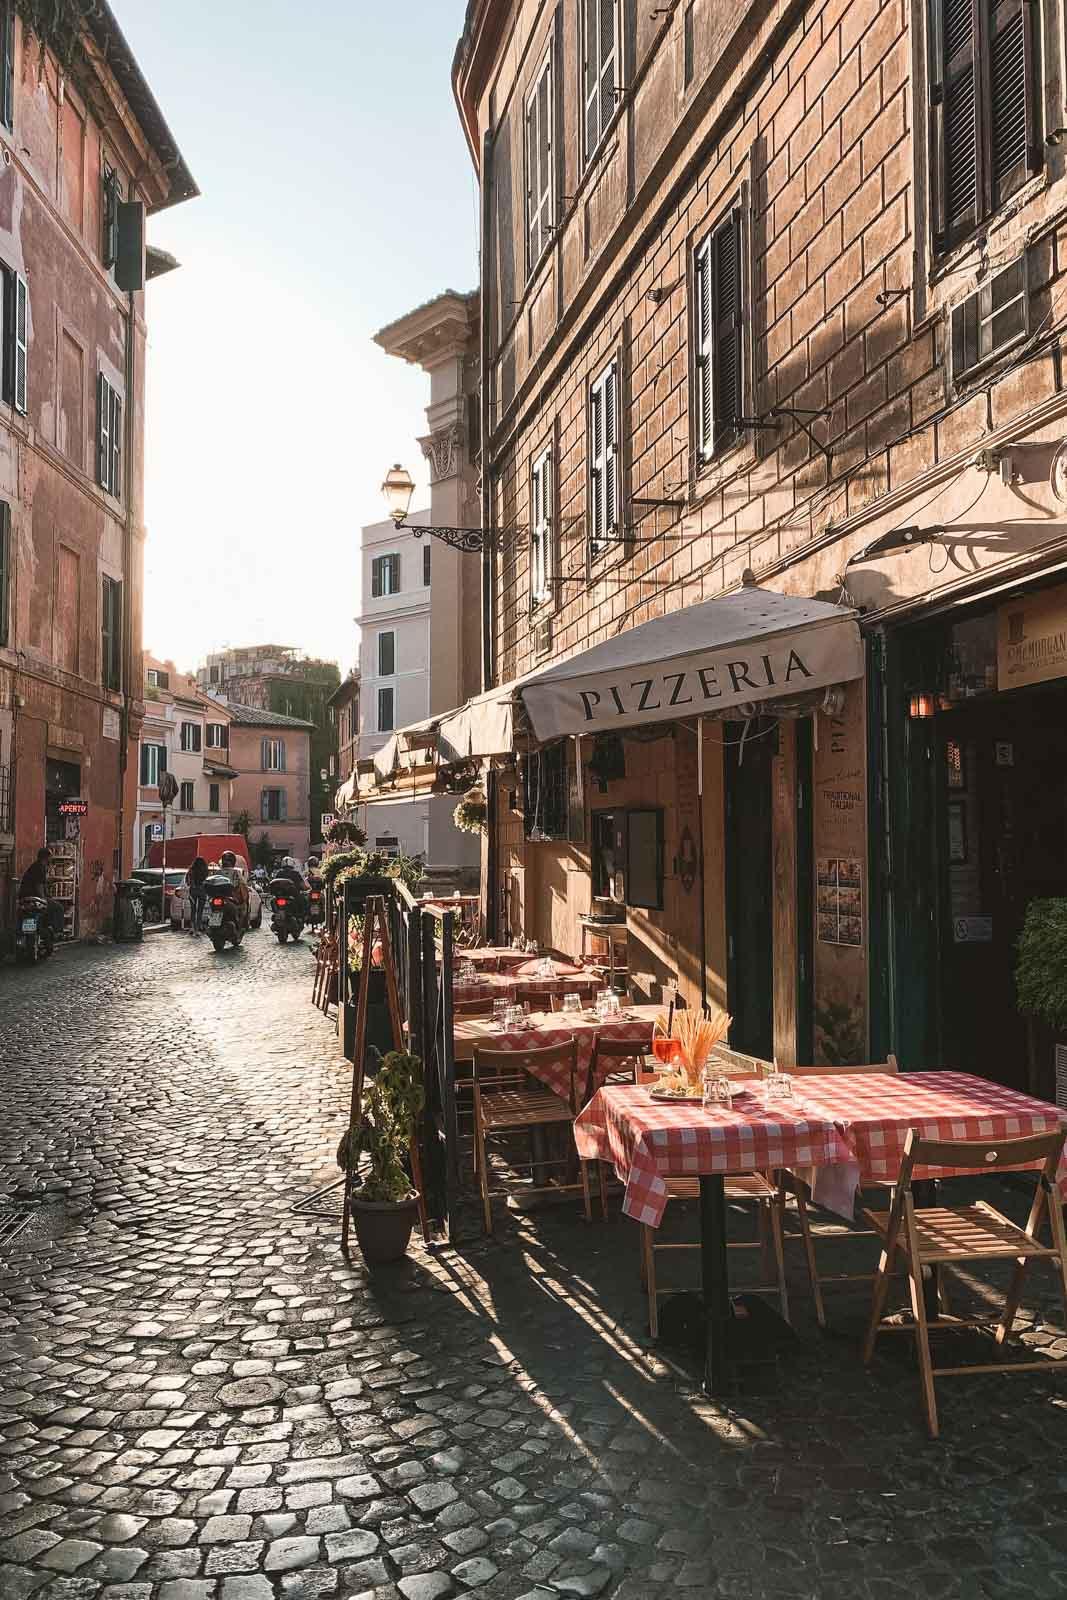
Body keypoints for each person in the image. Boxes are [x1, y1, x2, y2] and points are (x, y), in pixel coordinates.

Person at [18, 847, 65, 938]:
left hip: (24, 898)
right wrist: (44, 900)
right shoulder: (40, 867)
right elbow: (39, 886)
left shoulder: (35, 866)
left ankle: (46, 931)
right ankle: (57, 932)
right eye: (50, 857)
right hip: (34, 899)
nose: (51, 859)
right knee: (59, 908)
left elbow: (41, 885)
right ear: (46, 857)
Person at [186, 856, 209, 934]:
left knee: (193, 909)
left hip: (193, 890)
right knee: (200, 910)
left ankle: (192, 927)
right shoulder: (205, 870)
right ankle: (198, 926)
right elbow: (207, 880)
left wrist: (192, 885)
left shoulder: (191, 870)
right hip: (202, 890)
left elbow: (187, 881)